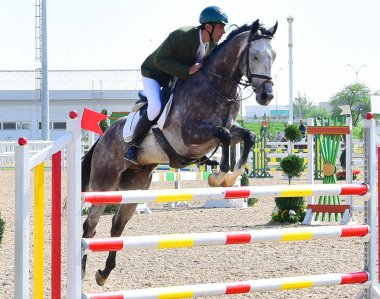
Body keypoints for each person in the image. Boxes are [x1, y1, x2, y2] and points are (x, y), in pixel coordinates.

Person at [124, 6, 228, 164]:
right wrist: (187, 71)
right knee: (156, 107)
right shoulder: (182, 35)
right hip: (154, 74)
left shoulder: (210, 46)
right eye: (221, 27)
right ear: (208, 26)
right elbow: (159, 60)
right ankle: (133, 146)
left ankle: (198, 152)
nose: (224, 31)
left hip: (175, 77)